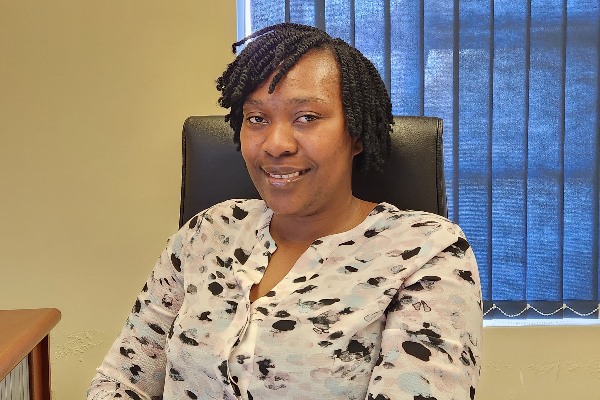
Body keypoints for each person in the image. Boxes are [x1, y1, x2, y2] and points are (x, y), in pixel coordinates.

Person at [87, 23, 482, 400]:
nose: (276, 144)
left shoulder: (426, 252)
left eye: (307, 117)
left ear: (357, 134)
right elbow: (120, 381)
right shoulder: (206, 233)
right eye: (257, 119)